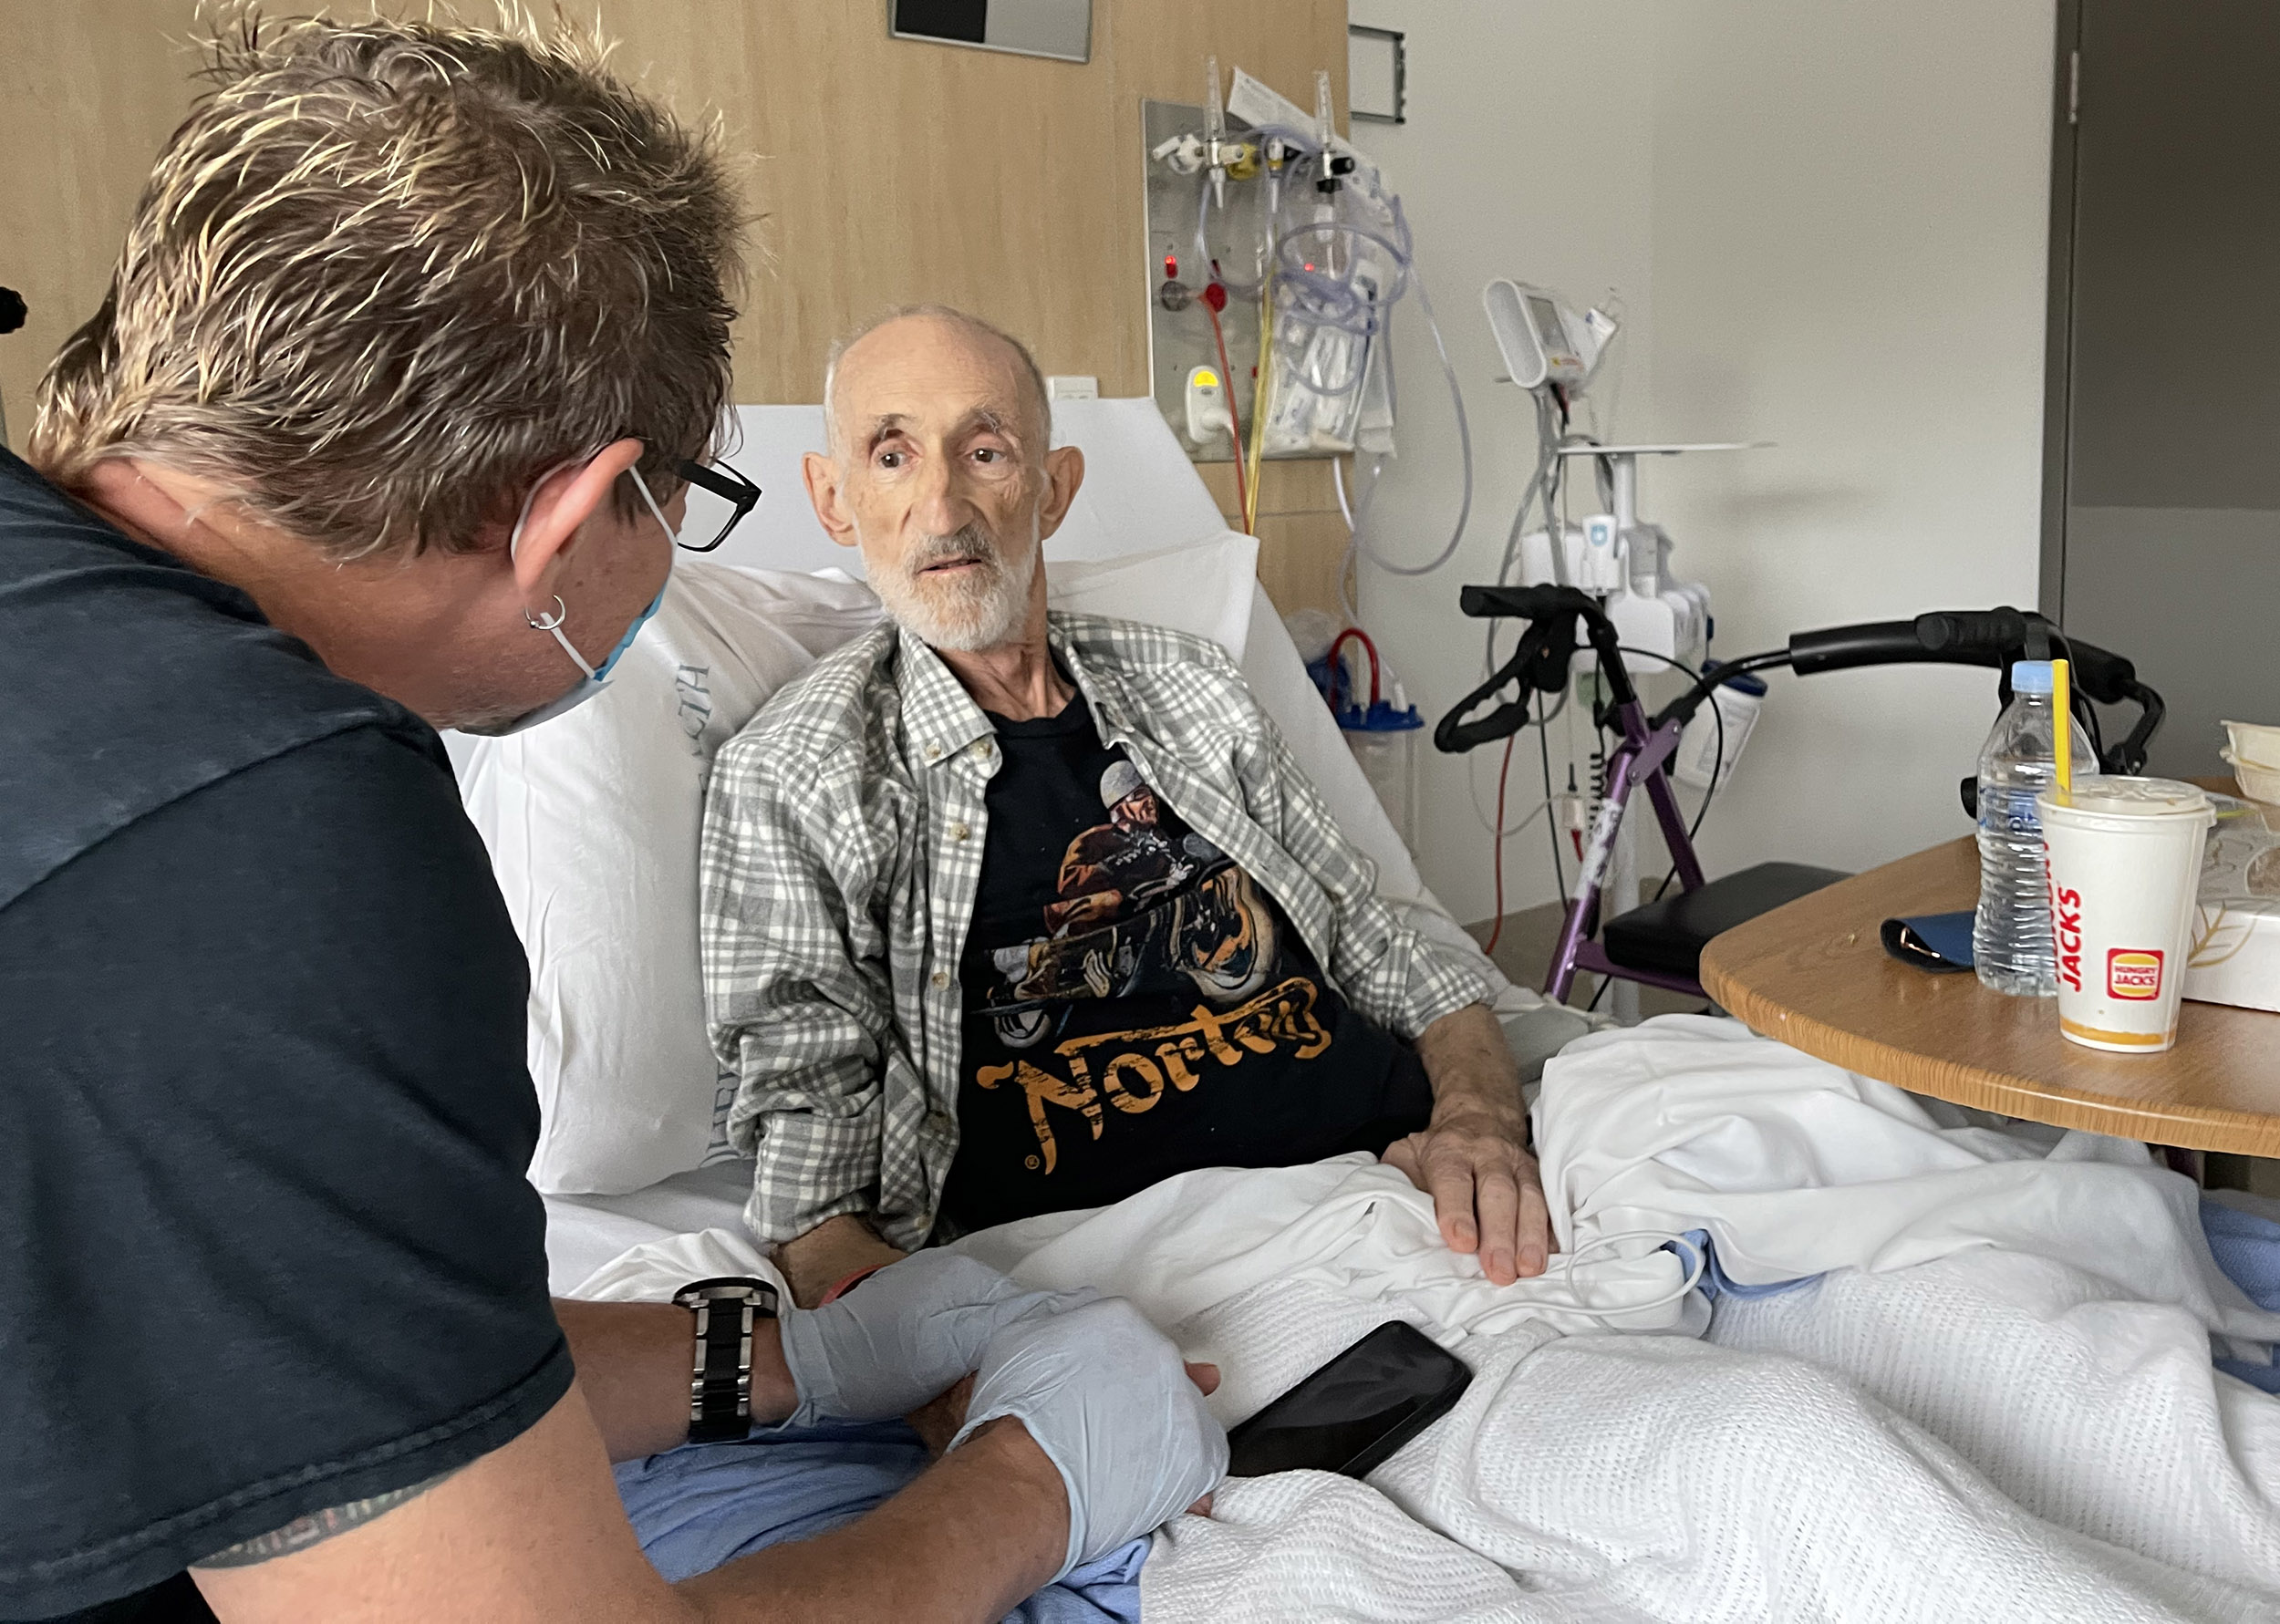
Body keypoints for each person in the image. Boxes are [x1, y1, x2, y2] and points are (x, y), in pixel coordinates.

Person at [0, 21, 1219, 1623]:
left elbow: (321, 1341)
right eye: (696, 502)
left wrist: (798, 1360)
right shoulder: (271, 839)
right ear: (574, 515)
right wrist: (1028, 1489)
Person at [700, 305, 1554, 1309]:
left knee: (1756, 1113)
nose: (941, 507)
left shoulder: (1191, 681)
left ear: (1052, 489)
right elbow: (814, 1213)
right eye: (891, 455)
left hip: (1413, 1179)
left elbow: (1389, 944)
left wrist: (1482, 1117)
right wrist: (967, 1370)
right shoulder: (799, 775)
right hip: (1142, 1275)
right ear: (833, 499)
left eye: (985, 450)